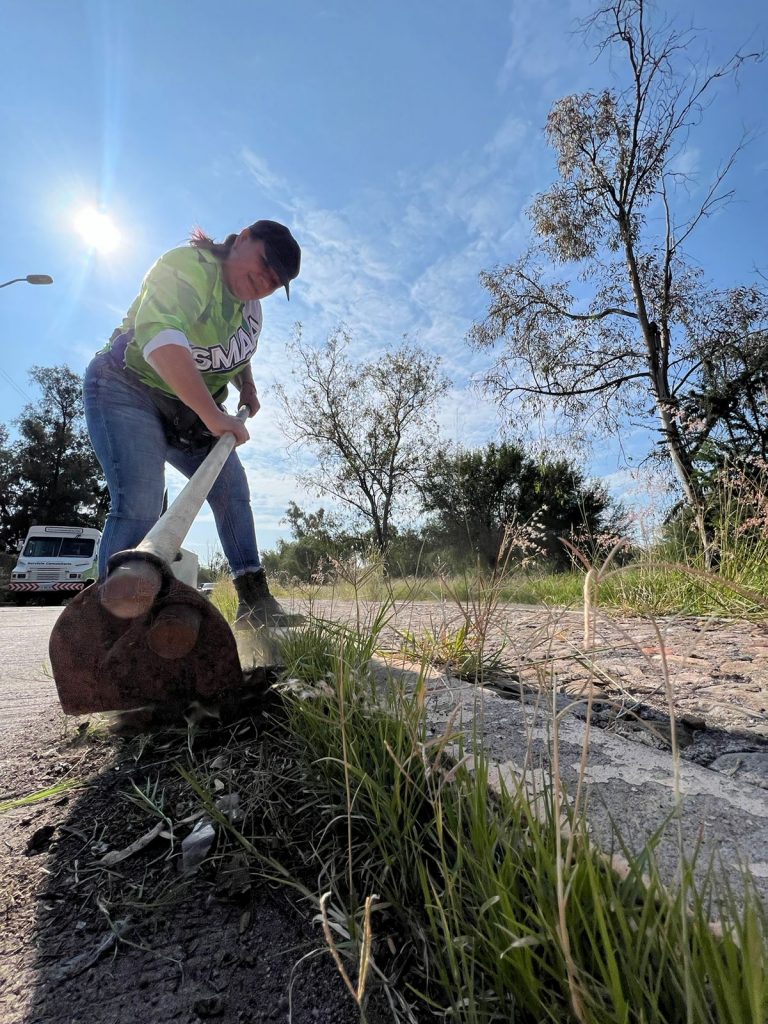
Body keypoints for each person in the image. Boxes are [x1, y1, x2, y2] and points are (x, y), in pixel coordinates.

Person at [83, 219, 302, 627]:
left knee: (232, 489)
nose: (265, 281)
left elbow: (236, 350)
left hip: (188, 409)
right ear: (245, 237)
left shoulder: (251, 309)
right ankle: (112, 628)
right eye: (265, 264)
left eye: (276, 281)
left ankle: (255, 605)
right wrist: (214, 415)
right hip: (126, 386)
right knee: (142, 501)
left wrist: (247, 387)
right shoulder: (188, 267)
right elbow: (162, 340)